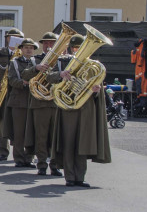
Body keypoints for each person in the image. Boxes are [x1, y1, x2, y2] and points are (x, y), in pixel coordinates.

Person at [47, 35, 112, 187]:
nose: (78, 50)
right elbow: (49, 77)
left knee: (82, 143)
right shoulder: (63, 62)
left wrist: (96, 90)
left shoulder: (93, 66)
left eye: (80, 47)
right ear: (71, 49)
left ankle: (80, 177)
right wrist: (60, 75)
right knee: (69, 143)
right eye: (76, 48)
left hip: (85, 108)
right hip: (68, 109)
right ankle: (70, 176)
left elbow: (97, 89)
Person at [24, 32, 63, 177]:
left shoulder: (61, 60)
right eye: (46, 43)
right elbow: (25, 75)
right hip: (39, 103)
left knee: (55, 137)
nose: (48, 45)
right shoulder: (35, 60)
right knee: (41, 137)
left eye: (52, 43)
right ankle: (41, 165)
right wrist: (36, 68)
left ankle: (55, 165)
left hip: (56, 102)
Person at [0, 28, 23, 162]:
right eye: (11, 37)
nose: (14, 39)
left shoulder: (24, 54)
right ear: (7, 39)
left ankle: (19, 153)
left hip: (18, 93)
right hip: (3, 93)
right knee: (3, 123)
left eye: (17, 37)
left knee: (19, 123)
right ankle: (3, 151)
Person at [3, 37, 37, 167]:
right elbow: (11, 79)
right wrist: (22, 83)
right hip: (19, 101)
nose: (29, 50)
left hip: (33, 100)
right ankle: (18, 158)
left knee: (31, 131)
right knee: (19, 132)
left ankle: (29, 158)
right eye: (26, 47)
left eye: (31, 48)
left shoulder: (36, 63)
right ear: (21, 49)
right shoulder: (15, 62)